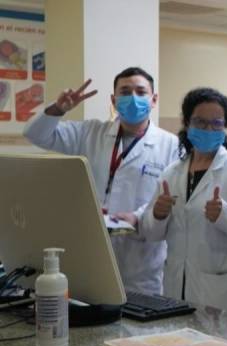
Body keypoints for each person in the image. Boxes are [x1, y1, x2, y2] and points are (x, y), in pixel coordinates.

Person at [23, 67, 179, 295]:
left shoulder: (171, 145)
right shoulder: (90, 132)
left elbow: (169, 196)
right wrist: (58, 109)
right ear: (113, 100)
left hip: (140, 261)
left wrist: (137, 216)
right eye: (125, 92)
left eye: (140, 91)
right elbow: (35, 134)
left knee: (137, 325)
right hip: (91, 249)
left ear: (153, 99)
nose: (132, 98)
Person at [140, 88, 227, 317]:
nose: (208, 129)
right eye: (200, 122)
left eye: (216, 123)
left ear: (224, 126)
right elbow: (152, 234)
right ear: (187, 123)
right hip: (177, 290)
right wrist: (158, 215)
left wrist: (225, 216)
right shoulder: (172, 173)